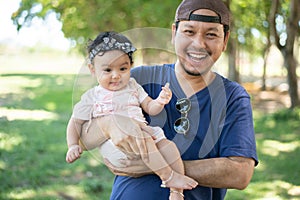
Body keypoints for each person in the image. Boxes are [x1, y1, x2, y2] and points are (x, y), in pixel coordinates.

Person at [81, 0, 259, 199]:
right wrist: (108, 124)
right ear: (174, 33)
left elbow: (240, 173)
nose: (199, 44)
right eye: (189, 32)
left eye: (211, 34)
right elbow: (83, 138)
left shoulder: (233, 97)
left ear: (225, 40)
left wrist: (156, 165)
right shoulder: (136, 80)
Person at [65, 31, 198, 199]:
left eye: (123, 68)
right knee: (145, 141)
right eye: (107, 70)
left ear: (130, 65)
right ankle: (168, 177)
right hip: (117, 144)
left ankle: (176, 192)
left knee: (169, 147)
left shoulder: (133, 86)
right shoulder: (93, 96)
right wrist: (72, 145)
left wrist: (160, 101)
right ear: (93, 69)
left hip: (143, 131)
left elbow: (150, 106)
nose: (116, 75)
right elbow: (75, 122)